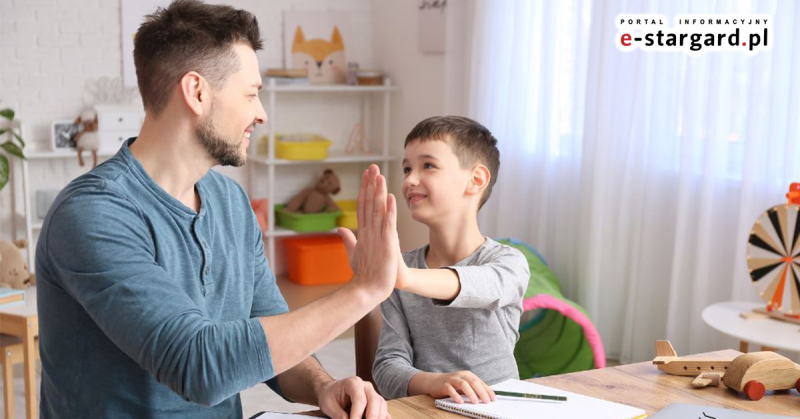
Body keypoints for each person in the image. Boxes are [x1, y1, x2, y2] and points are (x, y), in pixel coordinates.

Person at [35, 1, 399, 418]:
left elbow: (273, 341)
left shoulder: (230, 202)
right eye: (251, 94)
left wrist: (324, 386)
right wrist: (365, 289)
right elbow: (198, 366)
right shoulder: (92, 214)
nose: (261, 114)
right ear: (197, 92)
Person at [365, 116, 530, 401]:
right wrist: (433, 382)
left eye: (427, 165)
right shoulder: (401, 272)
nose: (410, 179)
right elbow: (387, 368)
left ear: (475, 180)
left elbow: (483, 286)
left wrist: (403, 277)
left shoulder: (508, 262)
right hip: (424, 409)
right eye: (407, 169)